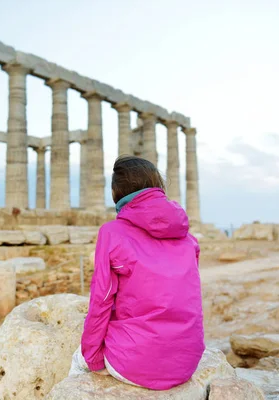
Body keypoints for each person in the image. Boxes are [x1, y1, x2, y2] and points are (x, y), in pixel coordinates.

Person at [69, 155, 205, 390]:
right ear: (158, 185)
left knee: (77, 364)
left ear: (116, 193)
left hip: (135, 364)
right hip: (187, 362)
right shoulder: (187, 238)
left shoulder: (112, 233)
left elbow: (101, 301)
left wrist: (92, 358)